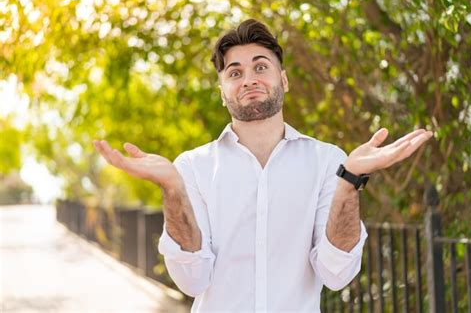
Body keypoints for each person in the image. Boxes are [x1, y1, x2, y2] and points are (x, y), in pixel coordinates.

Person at [93, 19, 432, 312]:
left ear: (283, 80)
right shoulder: (191, 168)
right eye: (234, 72)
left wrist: (350, 180)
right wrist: (173, 190)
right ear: (223, 90)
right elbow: (192, 280)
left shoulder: (330, 162)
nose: (249, 79)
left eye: (260, 67)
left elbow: (336, 274)